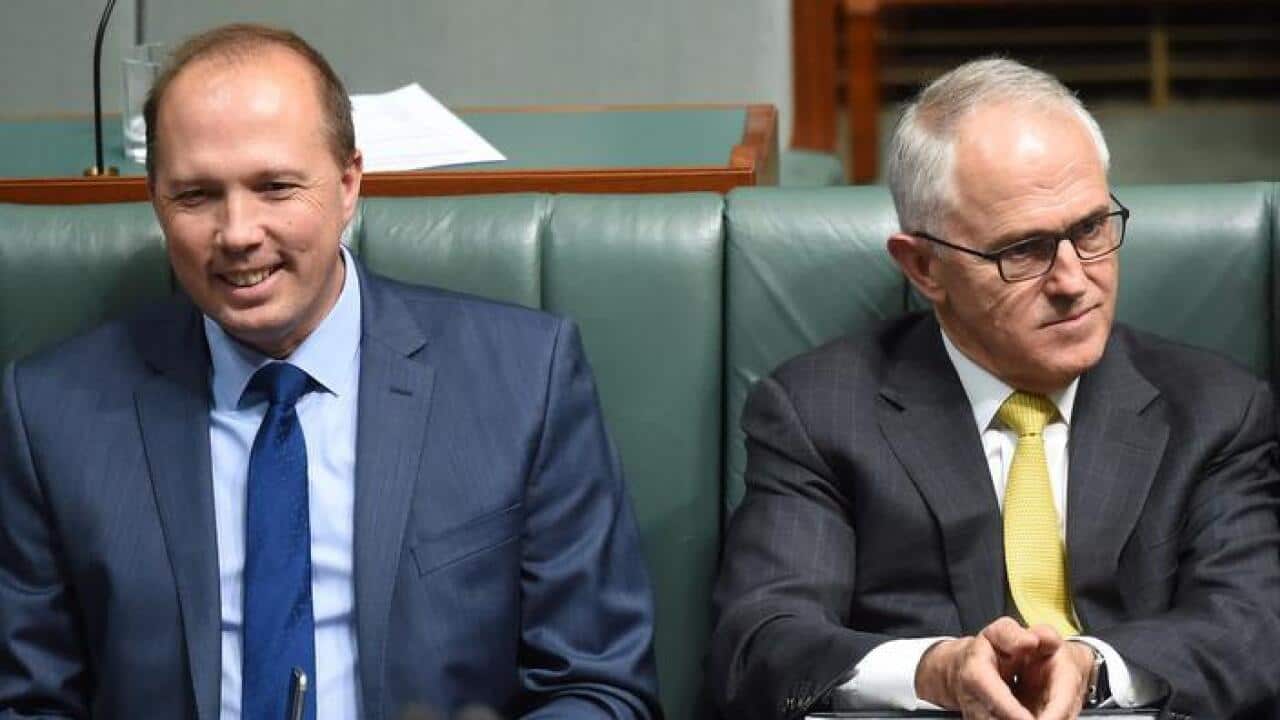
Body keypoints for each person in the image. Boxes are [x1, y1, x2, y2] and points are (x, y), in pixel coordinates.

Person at [0, 24, 659, 720]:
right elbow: (27, 704)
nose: (238, 232)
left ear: (348, 184)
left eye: (275, 187)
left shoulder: (524, 381)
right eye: (195, 196)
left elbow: (599, 686)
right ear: (156, 201)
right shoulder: (49, 416)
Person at [709, 57, 1280, 720]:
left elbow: (1253, 630)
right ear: (924, 266)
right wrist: (932, 672)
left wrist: (1094, 667)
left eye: (1091, 229)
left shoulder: (1215, 409)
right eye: (1024, 250)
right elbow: (761, 643)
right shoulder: (819, 413)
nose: (1074, 281)